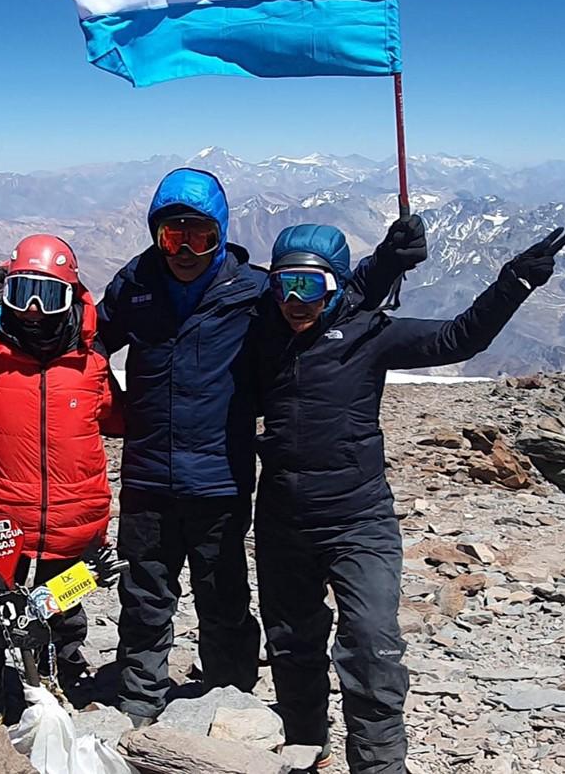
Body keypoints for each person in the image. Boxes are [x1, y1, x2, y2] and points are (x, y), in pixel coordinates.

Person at [96, 166, 425, 725]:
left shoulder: (251, 290)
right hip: (149, 474)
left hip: (220, 476)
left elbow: (322, 296)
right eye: (171, 235)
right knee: (144, 595)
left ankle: (230, 705)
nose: (184, 248)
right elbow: (88, 342)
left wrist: (390, 259)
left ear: (220, 233)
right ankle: (138, 707)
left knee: (221, 595)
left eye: (199, 234)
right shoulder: (135, 285)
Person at [251, 223, 565, 772]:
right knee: (290, 641)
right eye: (283, 286)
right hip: (281, 522)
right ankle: (305, 745)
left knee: (372, 641)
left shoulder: (370, 335)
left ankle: (379, 764)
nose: (295, 301)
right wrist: (388, 260)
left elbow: (460, 339)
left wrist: (514, 283)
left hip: (358, 522)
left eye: (309, 285)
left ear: (335, 286)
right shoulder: (262, 333)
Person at [0, 234, 125, 725]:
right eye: (23, 293)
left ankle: (58, 695)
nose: (33, 310)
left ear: (72, 298)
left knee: (62, 616)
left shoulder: (91, 360)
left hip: (74, 524)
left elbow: (119, 417)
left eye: (49, 295)